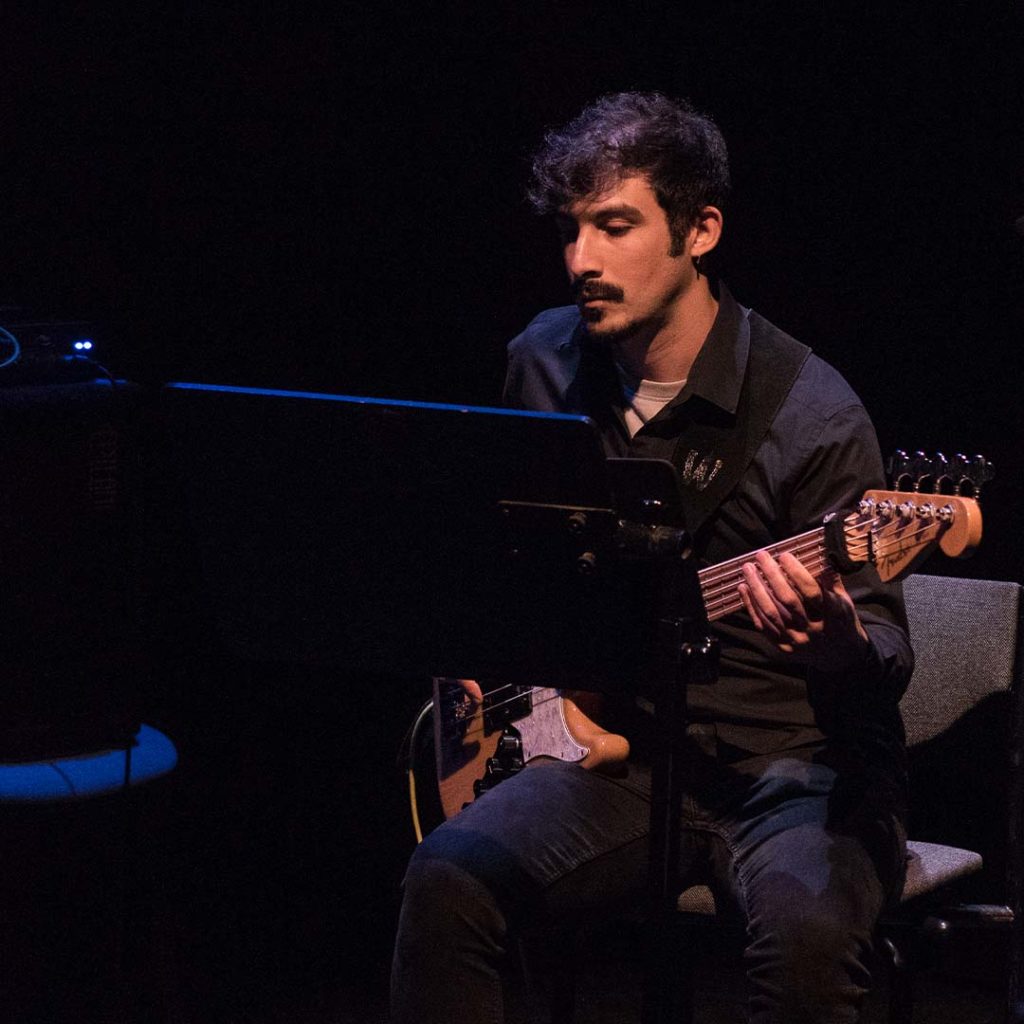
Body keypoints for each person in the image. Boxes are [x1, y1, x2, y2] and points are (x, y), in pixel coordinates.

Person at [390, 92, 912, 1024]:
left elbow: (881, 647)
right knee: (447, 882)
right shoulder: (543, 364)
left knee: (808, 945)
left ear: (700, 230)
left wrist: (830, 639)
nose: (581, 260)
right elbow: (497, 556)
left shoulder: (813, 412)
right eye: (572, 229)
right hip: (621, 753)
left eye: (615, 226)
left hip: (789, 766)